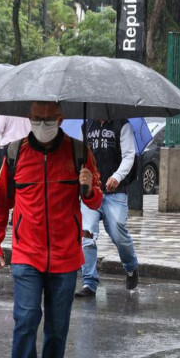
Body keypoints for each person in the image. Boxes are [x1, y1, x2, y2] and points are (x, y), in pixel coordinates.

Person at [0, 101, 103, 358]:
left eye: (48, 119)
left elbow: (95, 202)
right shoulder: (15, 152)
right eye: (37, 119)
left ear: (60, 119)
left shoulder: (79, 152)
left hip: (66, 257)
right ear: (29, 118)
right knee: (26, 320)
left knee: (57, 329)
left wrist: (89, 187)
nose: (42, 124)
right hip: (27, 254)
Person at [75, 119, 140, 298]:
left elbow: (129, 155)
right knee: (86, 235)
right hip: (91, 192)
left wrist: (117, 177)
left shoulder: (122, 125)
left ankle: (131, 267)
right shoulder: (86, 126)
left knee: (118, 233)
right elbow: (81, 157)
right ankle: (89, 282)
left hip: (115, 192)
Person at [0, 115, 31, 184]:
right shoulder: (28, 112)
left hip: (6, 148)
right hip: (23, 147)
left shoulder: (4, 112)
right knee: (21, 176)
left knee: (2, 178)